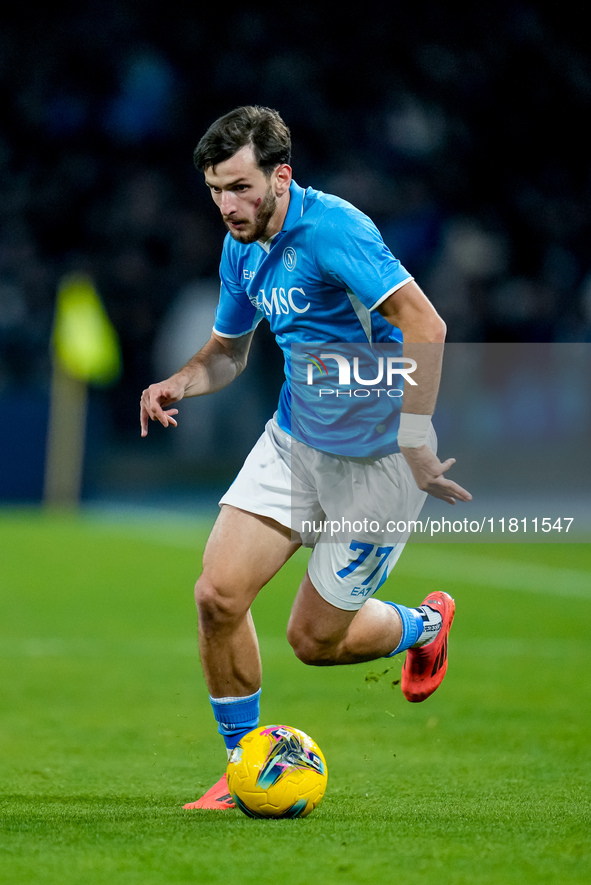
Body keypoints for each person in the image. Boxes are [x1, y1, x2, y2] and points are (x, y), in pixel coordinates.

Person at [140, 106, 472, 810]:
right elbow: (228, 353)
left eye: (238, 187)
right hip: (294, 442)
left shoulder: (333, 230)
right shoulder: (241, 243)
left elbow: (425, 323)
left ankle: (425, 626)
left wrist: (415, 434)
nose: (226, 205)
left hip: (379, 461)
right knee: (216, 595)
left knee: (314, 641)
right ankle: (244, 768)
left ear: (280, 175)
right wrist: (178, 380)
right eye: (214, 190)